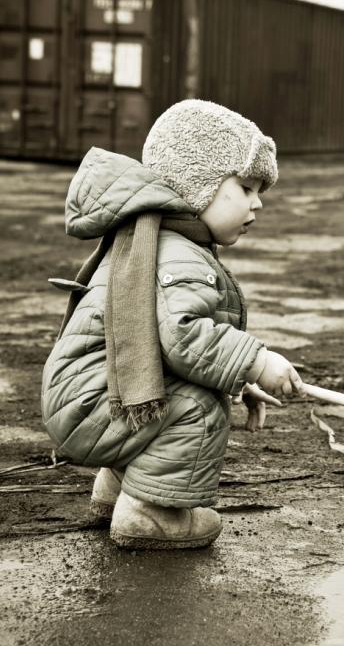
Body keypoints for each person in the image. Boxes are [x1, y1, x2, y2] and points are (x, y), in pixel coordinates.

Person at [41, 99, 303, 550]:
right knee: (197, 409)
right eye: (245, 187)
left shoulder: (157, 238)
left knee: (172, 393)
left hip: (88, 398)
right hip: (94, 403)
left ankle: (117, 489)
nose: (258, 203)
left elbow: (158, 349)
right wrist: (257, 361)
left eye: (260, 190)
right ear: (199, 185)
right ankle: (152, 514)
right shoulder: (178, 253)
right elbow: (184, 336)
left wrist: (239, 381)